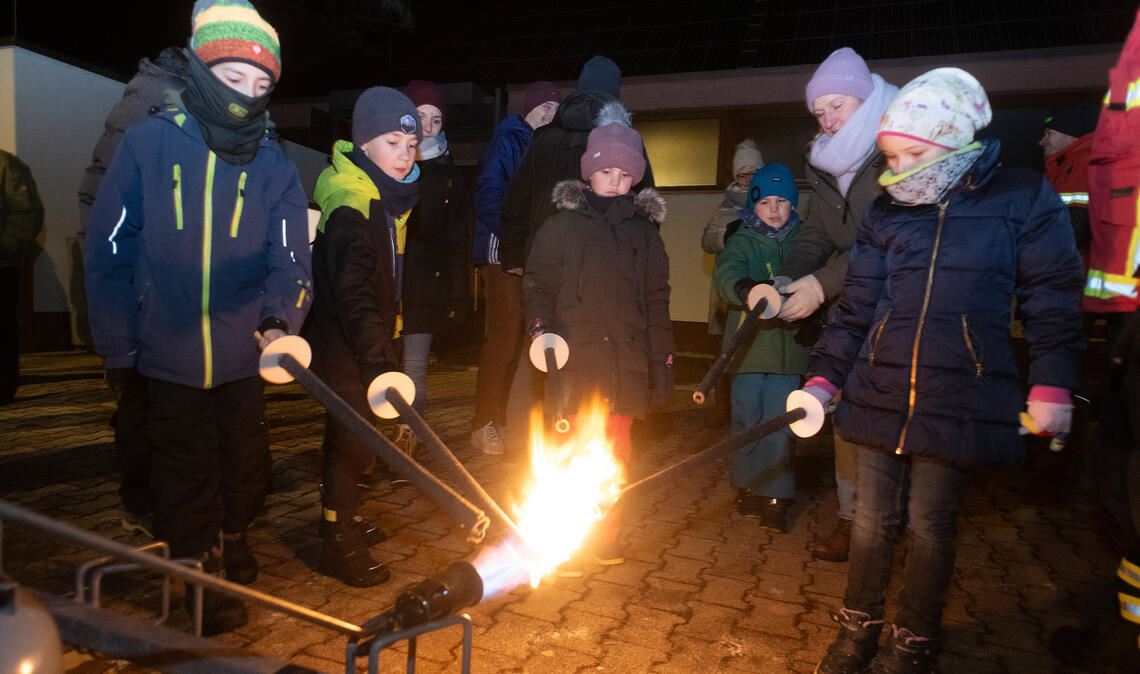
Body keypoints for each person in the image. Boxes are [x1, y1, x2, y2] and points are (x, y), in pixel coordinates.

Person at [801, 68, 1084, 673]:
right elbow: (857, 305)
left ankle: (914, 639)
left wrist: (1052, 381)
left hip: (959, 387)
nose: (899, 170)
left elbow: (1053, 296)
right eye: (890, 156)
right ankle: (857, 630)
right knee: (872, 521)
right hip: (879, 385)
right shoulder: (886, 212)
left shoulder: (1021, 197)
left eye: (913, 153)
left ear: (954, 138)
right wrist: (823, 380)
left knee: (931, 524)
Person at [85, 0, 312, 634]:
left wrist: (281, 322)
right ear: (204, 71)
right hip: (167, 350)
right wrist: (117, 345)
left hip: (244, 352)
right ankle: (197, 576)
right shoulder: (148, 142)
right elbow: (109, 247)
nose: (247, 95)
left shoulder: (274, 162)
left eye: (262, 85)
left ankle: (232, 534)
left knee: (245, 463)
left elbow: (291, 257)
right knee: (184, 470)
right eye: (234, 78)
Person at [523, 102, 672, 569]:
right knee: (569, 449)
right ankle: (565, 534)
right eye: (605, 171)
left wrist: (662, 359)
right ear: (589, 174)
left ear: (635, 179)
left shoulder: (644, 234)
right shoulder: (561, 227)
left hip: (625, 366)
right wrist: (543, 330)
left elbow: (657, 298)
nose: (615, 182)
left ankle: (604, 536)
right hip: (576, 363)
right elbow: (537, 285)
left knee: (616, 456)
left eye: (625, 175)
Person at [778, 47, 899, 563]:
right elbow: (815, 232)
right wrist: (791, 275)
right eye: (819, 111)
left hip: (897, 306)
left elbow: (885, 238)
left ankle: (893, 524)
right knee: (846, 417)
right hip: (852, 311)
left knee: (889, 420)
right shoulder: (825, 164)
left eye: (837, 106)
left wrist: (821, 284)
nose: (827, 120)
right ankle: (854, 521)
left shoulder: (895, 150)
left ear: (865, 97)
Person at [500, 55, 654, 454]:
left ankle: (527, 446)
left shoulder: (546, 136)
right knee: (599, 357)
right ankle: (594, 452)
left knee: (538, 351)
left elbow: (516, 200)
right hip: (600, 270)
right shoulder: (623, 139)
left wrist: (516, 254)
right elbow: (646, 211)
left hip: (545, 261)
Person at [302, 86, 422, 589]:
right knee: (351, 442)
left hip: (369, 339)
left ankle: (343, 515)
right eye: (392, 142)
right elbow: (353, 291)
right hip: (345, 343)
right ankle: (337, 540)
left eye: (411, 146)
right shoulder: (353, 202)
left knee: (360, 439)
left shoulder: (382, 196)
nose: (403, 155)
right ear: (365, 143)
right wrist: (378, 358)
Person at [77, 47, 189, 538]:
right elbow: (115, 209)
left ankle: (162, 500)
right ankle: (148, 502)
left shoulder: (160, 95)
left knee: (157, 403)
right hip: (143, 286)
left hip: (156, 284)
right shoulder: (157, 104)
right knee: (147, 402)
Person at [712, 163, 808, 531]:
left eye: (782, 201)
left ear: (793, 204)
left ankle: (776, 494)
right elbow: (726, 272)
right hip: (749, 349)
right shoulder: (742, 238)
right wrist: (742, 288)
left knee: (779, 421)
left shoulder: (804, 239)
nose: (773, 209)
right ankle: (747, 484)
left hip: (789, 350)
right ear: (754, 204)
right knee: (747, 417)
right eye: (766, 201)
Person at [469, 81, 563, 456]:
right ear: (529, 109)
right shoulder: (510, 139)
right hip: (503, 256)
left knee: (531, 342)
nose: (551, 114)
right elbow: (488, 195)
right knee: (504, 341)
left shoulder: (544, 147)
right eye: (545, 107)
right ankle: (484, 424)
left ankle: (516, 421)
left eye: (556, 109)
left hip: (532, 258)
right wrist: (515, 245)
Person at [400, 80, 473, 424]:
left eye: (436, 120)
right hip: (385, 283)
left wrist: (458, 295)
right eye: (420, 116)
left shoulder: (448, 174)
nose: (428, 127)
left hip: (424, 288)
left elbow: (457, 240)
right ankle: (366, 456)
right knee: (374, 371)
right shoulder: (386, 163)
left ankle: (406, 454)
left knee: (413, 372)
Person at [701, 139, 763, 428]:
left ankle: (757, 408)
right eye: (742, 174)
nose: (748, 179)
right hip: (728, 293)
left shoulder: (772, 200)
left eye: (753, 172)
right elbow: (707, 240)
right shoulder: (725, 207)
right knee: (725, 351)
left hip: (762, 287)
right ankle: (722, 410)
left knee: (758, 349)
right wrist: (728, 233)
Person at [0, 150, 44, 406]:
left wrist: (3, 248)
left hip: (1, 267)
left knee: (2, 331)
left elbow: (28, 213)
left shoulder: (7, 166)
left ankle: (3, 388)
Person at [1040, 104, 1099, 255]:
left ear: (1073, 134)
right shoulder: (1066, 165)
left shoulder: (1084, 163)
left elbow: (1077, 226)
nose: (1042, 141)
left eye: (1049, 133)